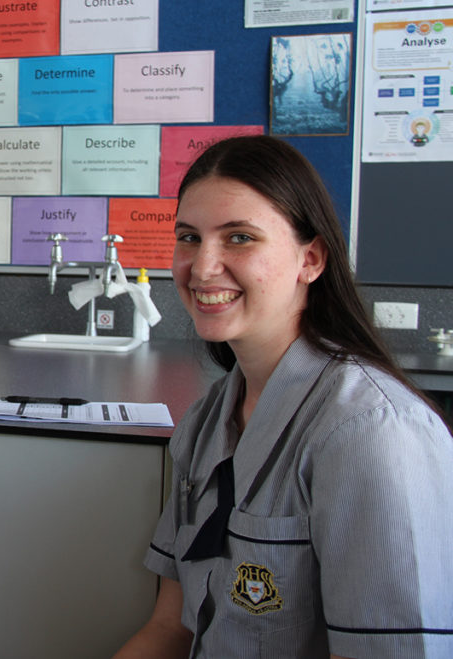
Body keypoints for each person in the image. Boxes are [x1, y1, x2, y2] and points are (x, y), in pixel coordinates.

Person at [113, 136, 453, 658]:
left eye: (240, 238)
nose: (202, 268)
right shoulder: (207, 423)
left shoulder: (374, 431)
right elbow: (170, 629)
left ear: (310, 259)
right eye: (189, 237)